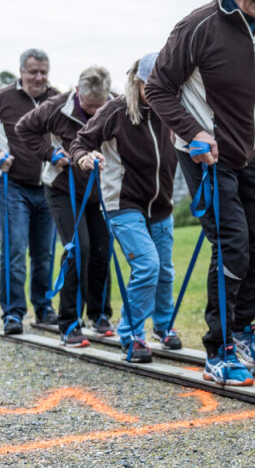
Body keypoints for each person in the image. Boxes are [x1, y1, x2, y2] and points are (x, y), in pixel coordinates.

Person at [146, 0, 255, 386]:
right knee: (232, 243)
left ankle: (245, 332)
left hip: (249, 153)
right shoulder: (198, 27)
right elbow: (157, 90)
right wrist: (193, 133)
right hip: (206, 154)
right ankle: (220, 348)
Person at [72, 54, 179, 363]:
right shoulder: (116, 111)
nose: (161, 89)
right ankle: (131, 333)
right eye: (154, 84)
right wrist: (84, 157)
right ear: (138, 82)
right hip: (124, 202)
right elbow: (81, 141)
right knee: (148, 266)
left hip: (161, 203)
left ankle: (163, 325)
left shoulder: (171, 108)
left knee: (165, 271)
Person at [15, 65, 115, 347]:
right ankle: (69, 322)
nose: (94, 112)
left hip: (98, 191)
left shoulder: (115, 105)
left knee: (101, 248)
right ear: (78, 93)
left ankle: (99, 315)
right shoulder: (56, 107)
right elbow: (24, 128)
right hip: (63, 189)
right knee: (77, 249)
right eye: (89, 105)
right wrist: (50, 153)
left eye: (100, 106)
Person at [0, 49, 60, 335]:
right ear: (21, 72)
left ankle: (44, 310)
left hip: (47, 185)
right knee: (15, 251)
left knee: (44, 254)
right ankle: (13, 314)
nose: (39, 77)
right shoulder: (3, 98)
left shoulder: (56, 99)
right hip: (11, 186)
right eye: (33, 72)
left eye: (43, 71)